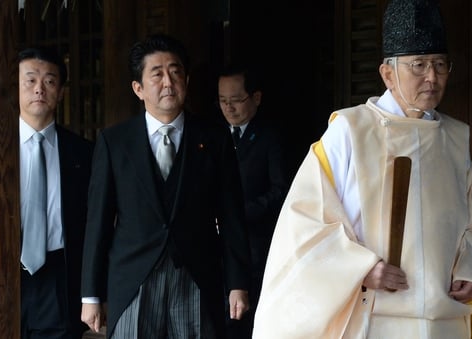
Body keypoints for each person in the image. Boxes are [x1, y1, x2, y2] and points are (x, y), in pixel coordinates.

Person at [252, 0, 472, 338]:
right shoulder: (350, 130)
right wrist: (361, 269)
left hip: (444, 318)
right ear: (387, 73)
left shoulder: (455, 138)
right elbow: (305, 222)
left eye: (441, 65)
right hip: (375, 313)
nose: (432, 77)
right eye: (419, 65)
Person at [80, 34, 251, 338]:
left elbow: (231, 215)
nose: (168, 82)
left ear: (186, 79)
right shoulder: (114, 142)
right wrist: (91, 295)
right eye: (156, 74)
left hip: (197, 276)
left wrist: (238, 283)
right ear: (138, 88)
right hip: (133, 279)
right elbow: (98, 222)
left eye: (175, 72)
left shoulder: (214, 138)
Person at [19, 46, 93, 338]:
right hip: (0, 271)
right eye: (30, 80)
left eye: (49, 81)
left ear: (61, 92)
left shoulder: (83, 153)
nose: (40, 89)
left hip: (59, 277)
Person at [217, 64, 290, 338]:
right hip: (219, 249)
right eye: (223, 101)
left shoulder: (272, 137)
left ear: (255, 98)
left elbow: (280, 190)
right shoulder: (214, 136)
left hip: (257, 245)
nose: (229, 108)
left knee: (250, 321)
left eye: (236, 100)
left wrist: (238, 215)